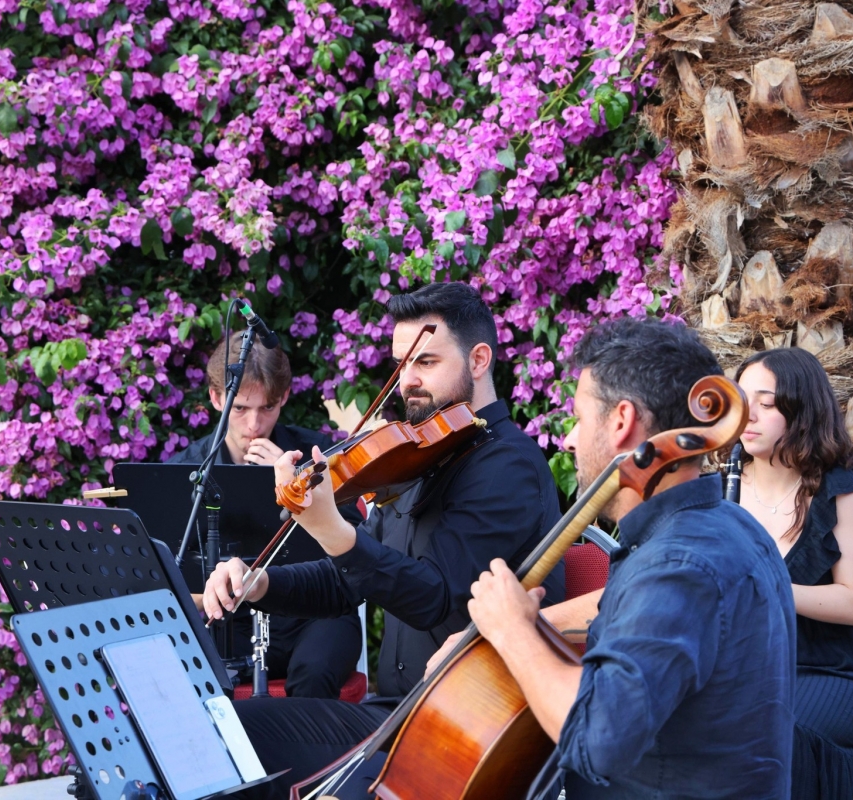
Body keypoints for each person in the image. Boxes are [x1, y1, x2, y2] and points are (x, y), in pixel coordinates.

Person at [202, 281, 565, 798]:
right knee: (222, 728)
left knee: (245, 749)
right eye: (402, 364)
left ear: (479, 359)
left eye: (426, 362)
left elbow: (435, 597)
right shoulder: (422, 453)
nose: (407, 380)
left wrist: (332, 530)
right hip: (395, 715)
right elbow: (346, 583)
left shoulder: (506, 466)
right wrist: (261, 584)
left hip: (460, 728)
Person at [443, 318, 796, 798]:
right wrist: (517, 628)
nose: (570, 439)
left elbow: (597, 739)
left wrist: (512, 631)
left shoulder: (677, 565)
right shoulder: (734, 528)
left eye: (579, 418)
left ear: (621, 421)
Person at [735, 347, 853, 800]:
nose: (748, 415)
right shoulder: (721, 488)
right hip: (754, 666)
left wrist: (770, 587)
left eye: (767, 404)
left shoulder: (840, 491)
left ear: (802, 412)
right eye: (742, 400)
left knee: (762, 729)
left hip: (841, 670)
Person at [170, 333, 363, 700]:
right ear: (216, 398)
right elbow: (170, 573)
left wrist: (299, 483)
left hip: (314, 613)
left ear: (284, 397)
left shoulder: (316, 454)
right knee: (194, 678)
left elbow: (355, 549)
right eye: (240, 408)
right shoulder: (185, 470)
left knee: (314, 673)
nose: (254, 425)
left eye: (267, 407)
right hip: (231, 620)